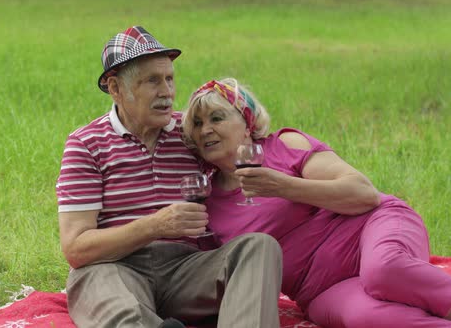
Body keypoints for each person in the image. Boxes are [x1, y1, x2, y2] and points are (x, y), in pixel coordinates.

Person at [56, 27, 283, 328]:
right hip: (115, 268)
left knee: (258, 248)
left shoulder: (189, 132)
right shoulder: (86, 144)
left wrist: (307, 154)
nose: (167, 92)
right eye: (152, 81)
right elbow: (77, 249)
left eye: (169, 79)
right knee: (110, 298)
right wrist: (157, 225)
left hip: (185, 269)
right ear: (115, 88)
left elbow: (247, 142)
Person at [181, 77, 451, 328]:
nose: (206, 130)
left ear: (247, 122)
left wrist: (283, 186)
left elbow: (364, 194)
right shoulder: (208, 201)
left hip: (370, 230)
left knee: (384, 269)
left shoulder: (285, 145)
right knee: (365, 317)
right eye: (197, 124)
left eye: (216, 118)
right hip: (320, 289)